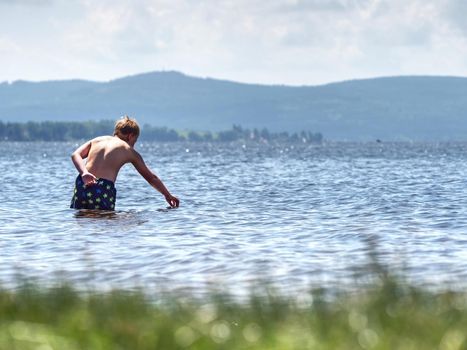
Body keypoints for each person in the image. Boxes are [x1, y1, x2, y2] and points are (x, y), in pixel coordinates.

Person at [70, 116, 179, 210]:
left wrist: (84, 173)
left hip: (83, 182)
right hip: (103, 188)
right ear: (130, 136)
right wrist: (167, 195)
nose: (133, 145)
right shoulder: (128, 150)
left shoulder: (97, 140)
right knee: (105, 222)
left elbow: (75, 155)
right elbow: (151, 178)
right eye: (134, 141)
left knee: (82, 219)